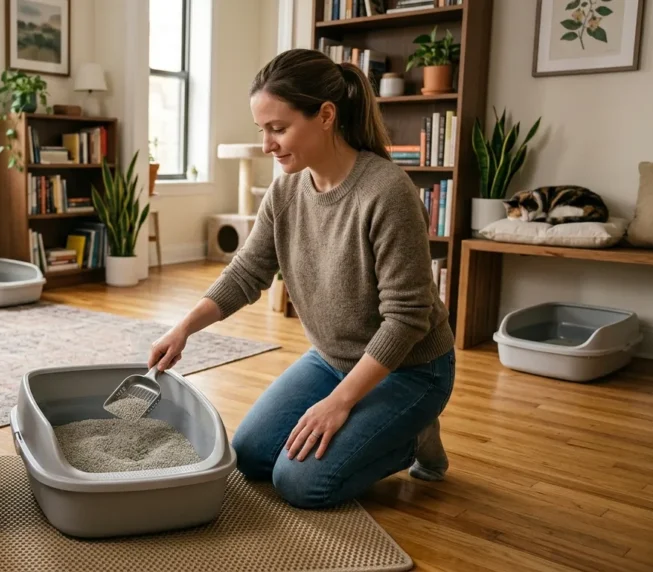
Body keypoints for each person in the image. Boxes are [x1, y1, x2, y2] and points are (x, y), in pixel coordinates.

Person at [147, 48, 455, 510]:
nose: (268, 144)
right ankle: (383, 421)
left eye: (279, 128)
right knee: (250, 457)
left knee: (302, 483)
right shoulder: (286, 190)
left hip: (412, 369)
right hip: (332, 359)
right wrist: (183, 328)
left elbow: (406, 319)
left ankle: (413, 435)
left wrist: (341, 402)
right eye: (262, 131)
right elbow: (248, 271)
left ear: (326, 116)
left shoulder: (387, 192)